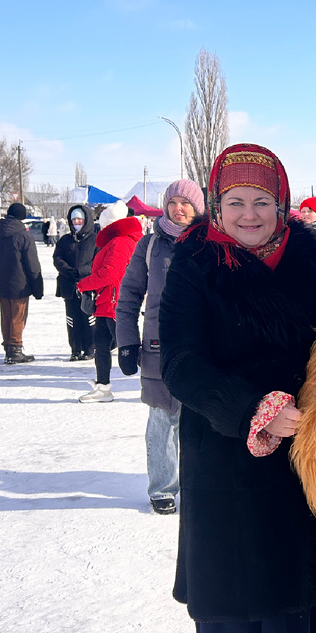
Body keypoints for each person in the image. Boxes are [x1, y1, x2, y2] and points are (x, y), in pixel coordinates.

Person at [160, 144, 316, 633]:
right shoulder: (194, 263)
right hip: (225, 451)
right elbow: (181, 364)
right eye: (235, 202)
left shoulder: (307, 260)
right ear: (215, 205)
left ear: (282, 204)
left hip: (298, 455)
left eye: (262, 201)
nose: (249, 214)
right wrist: (255, 411)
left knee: (284, 588)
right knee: (233, 594)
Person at [115, 179, 205, 514]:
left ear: (197, 208)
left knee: (201, 420)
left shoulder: (210, 242)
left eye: (186, 203)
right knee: (163, 418)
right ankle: (163, 488)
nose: (179, 209)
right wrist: (126, 342)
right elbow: (128, 296)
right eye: (173, 202)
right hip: (158, 346)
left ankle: (198, 484)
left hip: (202, 346)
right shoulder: (149, 245)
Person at [76, 202, 142, 403]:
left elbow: (109, 273)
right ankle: (103, 386)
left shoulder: (120, 242)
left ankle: (157, 379)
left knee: (126, 347)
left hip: (115, 303)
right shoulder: (117, 241)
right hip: (107, 303)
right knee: (102, 347)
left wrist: (84, 284)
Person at [0, 202, 45, 364]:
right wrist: (37, 287)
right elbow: (32, 264)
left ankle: (8, 346)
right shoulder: (23, 235)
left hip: (1, 282)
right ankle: (15, 349)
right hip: (20, 284)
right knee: (18, 316)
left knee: (6, 316)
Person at [53, 204, 98, 361]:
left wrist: (82, 271)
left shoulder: (95, 239)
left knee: (88, 318)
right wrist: (67, 270)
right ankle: (75, 349)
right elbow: (57, 258)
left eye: (79, 219)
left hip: (88, 286)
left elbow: (97, 261)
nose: (77, 222)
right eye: (74, 220)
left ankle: (90, 348)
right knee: (72, 319)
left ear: (86, 220)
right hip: (69, 286)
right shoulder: (65, 240)